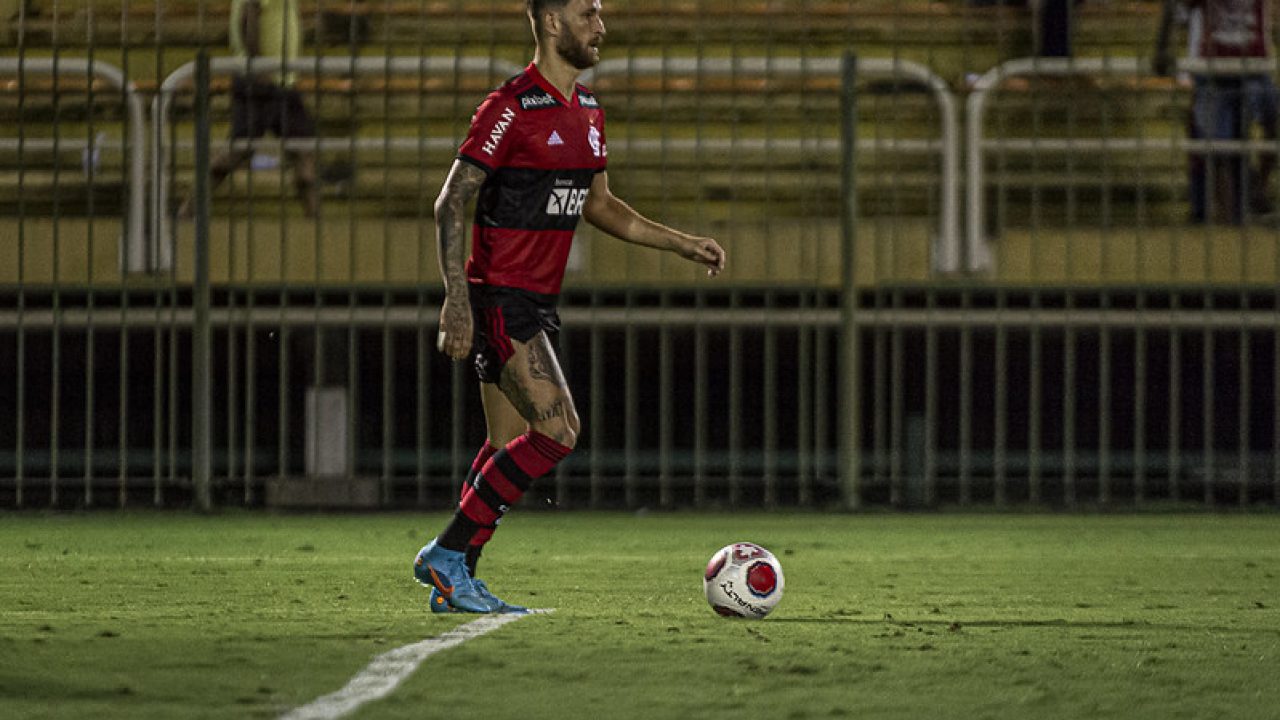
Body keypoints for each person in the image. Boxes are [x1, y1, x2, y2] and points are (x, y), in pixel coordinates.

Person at [412, 0, 726, 614]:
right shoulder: (508, 108)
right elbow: (451, 202)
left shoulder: (587, 111)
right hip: (500, 298)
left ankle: (457, 578)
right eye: (589, 14)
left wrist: (682, 243)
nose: (601, 26)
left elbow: (601, 205)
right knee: (558, 431)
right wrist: (456, 299)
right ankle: (446, 555)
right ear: (552, 23)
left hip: (534, 300)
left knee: (505, 443)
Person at [181, 0, 318, 218]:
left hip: (282, 79)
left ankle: (314, 218)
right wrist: (258, 66)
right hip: (262, 77)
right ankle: (188, 210)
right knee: (238, 150)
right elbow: (249, 15)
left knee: (302, 148)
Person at [1155, 0, 1279, 224]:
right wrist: (1163, 47)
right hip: (1221, 68)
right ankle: (1232, 213)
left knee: (1224, 141)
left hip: (1248, 66)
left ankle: (1249, 197)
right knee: (1218, 144)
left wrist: (1162, 47)